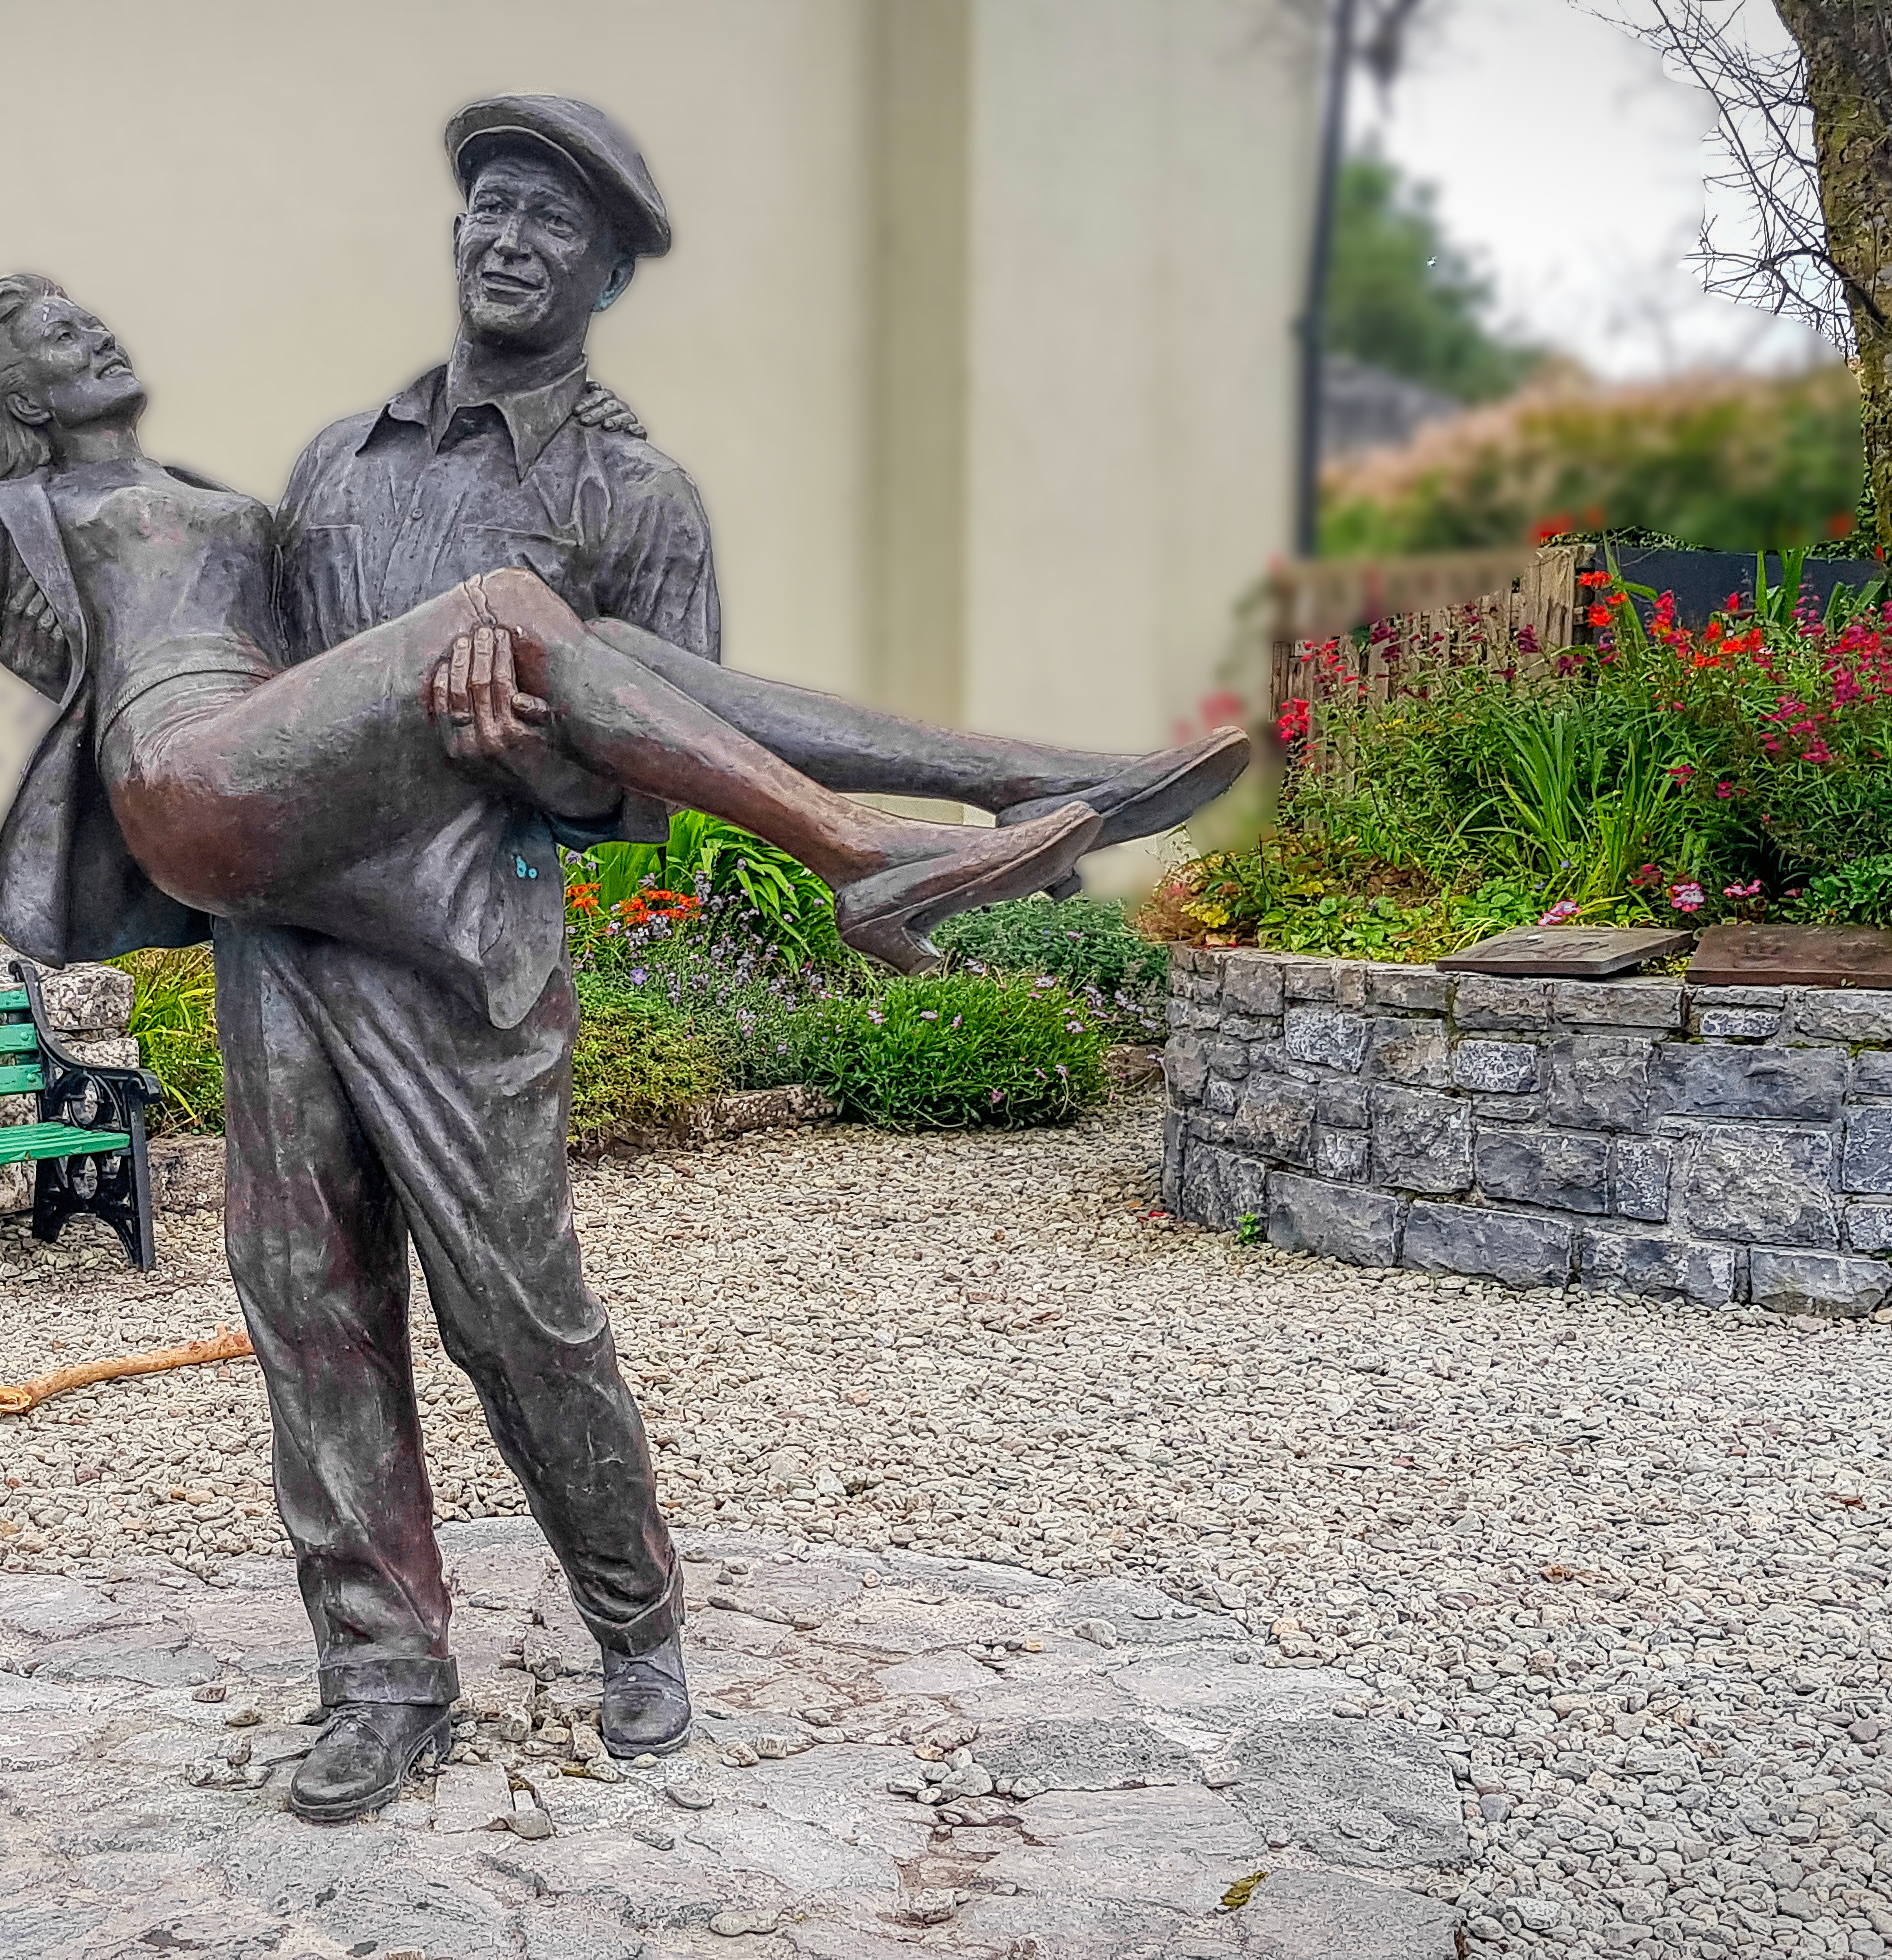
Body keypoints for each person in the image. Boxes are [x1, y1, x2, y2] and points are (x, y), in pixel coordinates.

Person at [211, 94, 1259, 1823]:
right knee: (310, 1310)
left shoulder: (633, 496)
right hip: (293, 944)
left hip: (465, 951)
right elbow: (266, 711)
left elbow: (648, 776)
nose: (508, 239)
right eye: (489, 205)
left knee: (516, 1314)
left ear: (608, 273)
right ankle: (380, 1670)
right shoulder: (336, 464)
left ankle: (634, 1616)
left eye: (553, 221)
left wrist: (526, 751)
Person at [0, 274, 1098, 997]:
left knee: (615, 641)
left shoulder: (208, 496)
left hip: (284, 763)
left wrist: (578, 448)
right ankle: (861, 856)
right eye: (50, 338)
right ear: (10, 397)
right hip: (187, 780)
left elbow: (353, 616)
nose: (94, 331)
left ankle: (1014, 779)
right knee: (522, 615)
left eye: (92, 315)